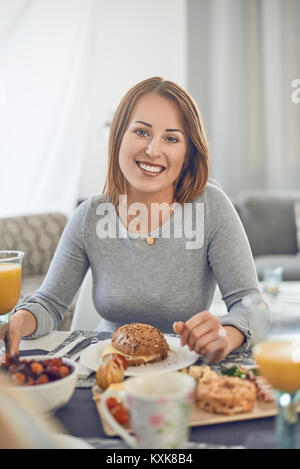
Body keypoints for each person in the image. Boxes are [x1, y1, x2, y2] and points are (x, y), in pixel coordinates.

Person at [0, 77, 268, 362]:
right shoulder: (89, 217)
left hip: (186, 367)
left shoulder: (212, 207)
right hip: (108, 367)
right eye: (141, 132)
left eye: (171, 138)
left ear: (187, 152)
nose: (153, 150)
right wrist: (18, 320)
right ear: (118, 136)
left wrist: (226, 334)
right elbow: (49, 304)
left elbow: (251, 305)